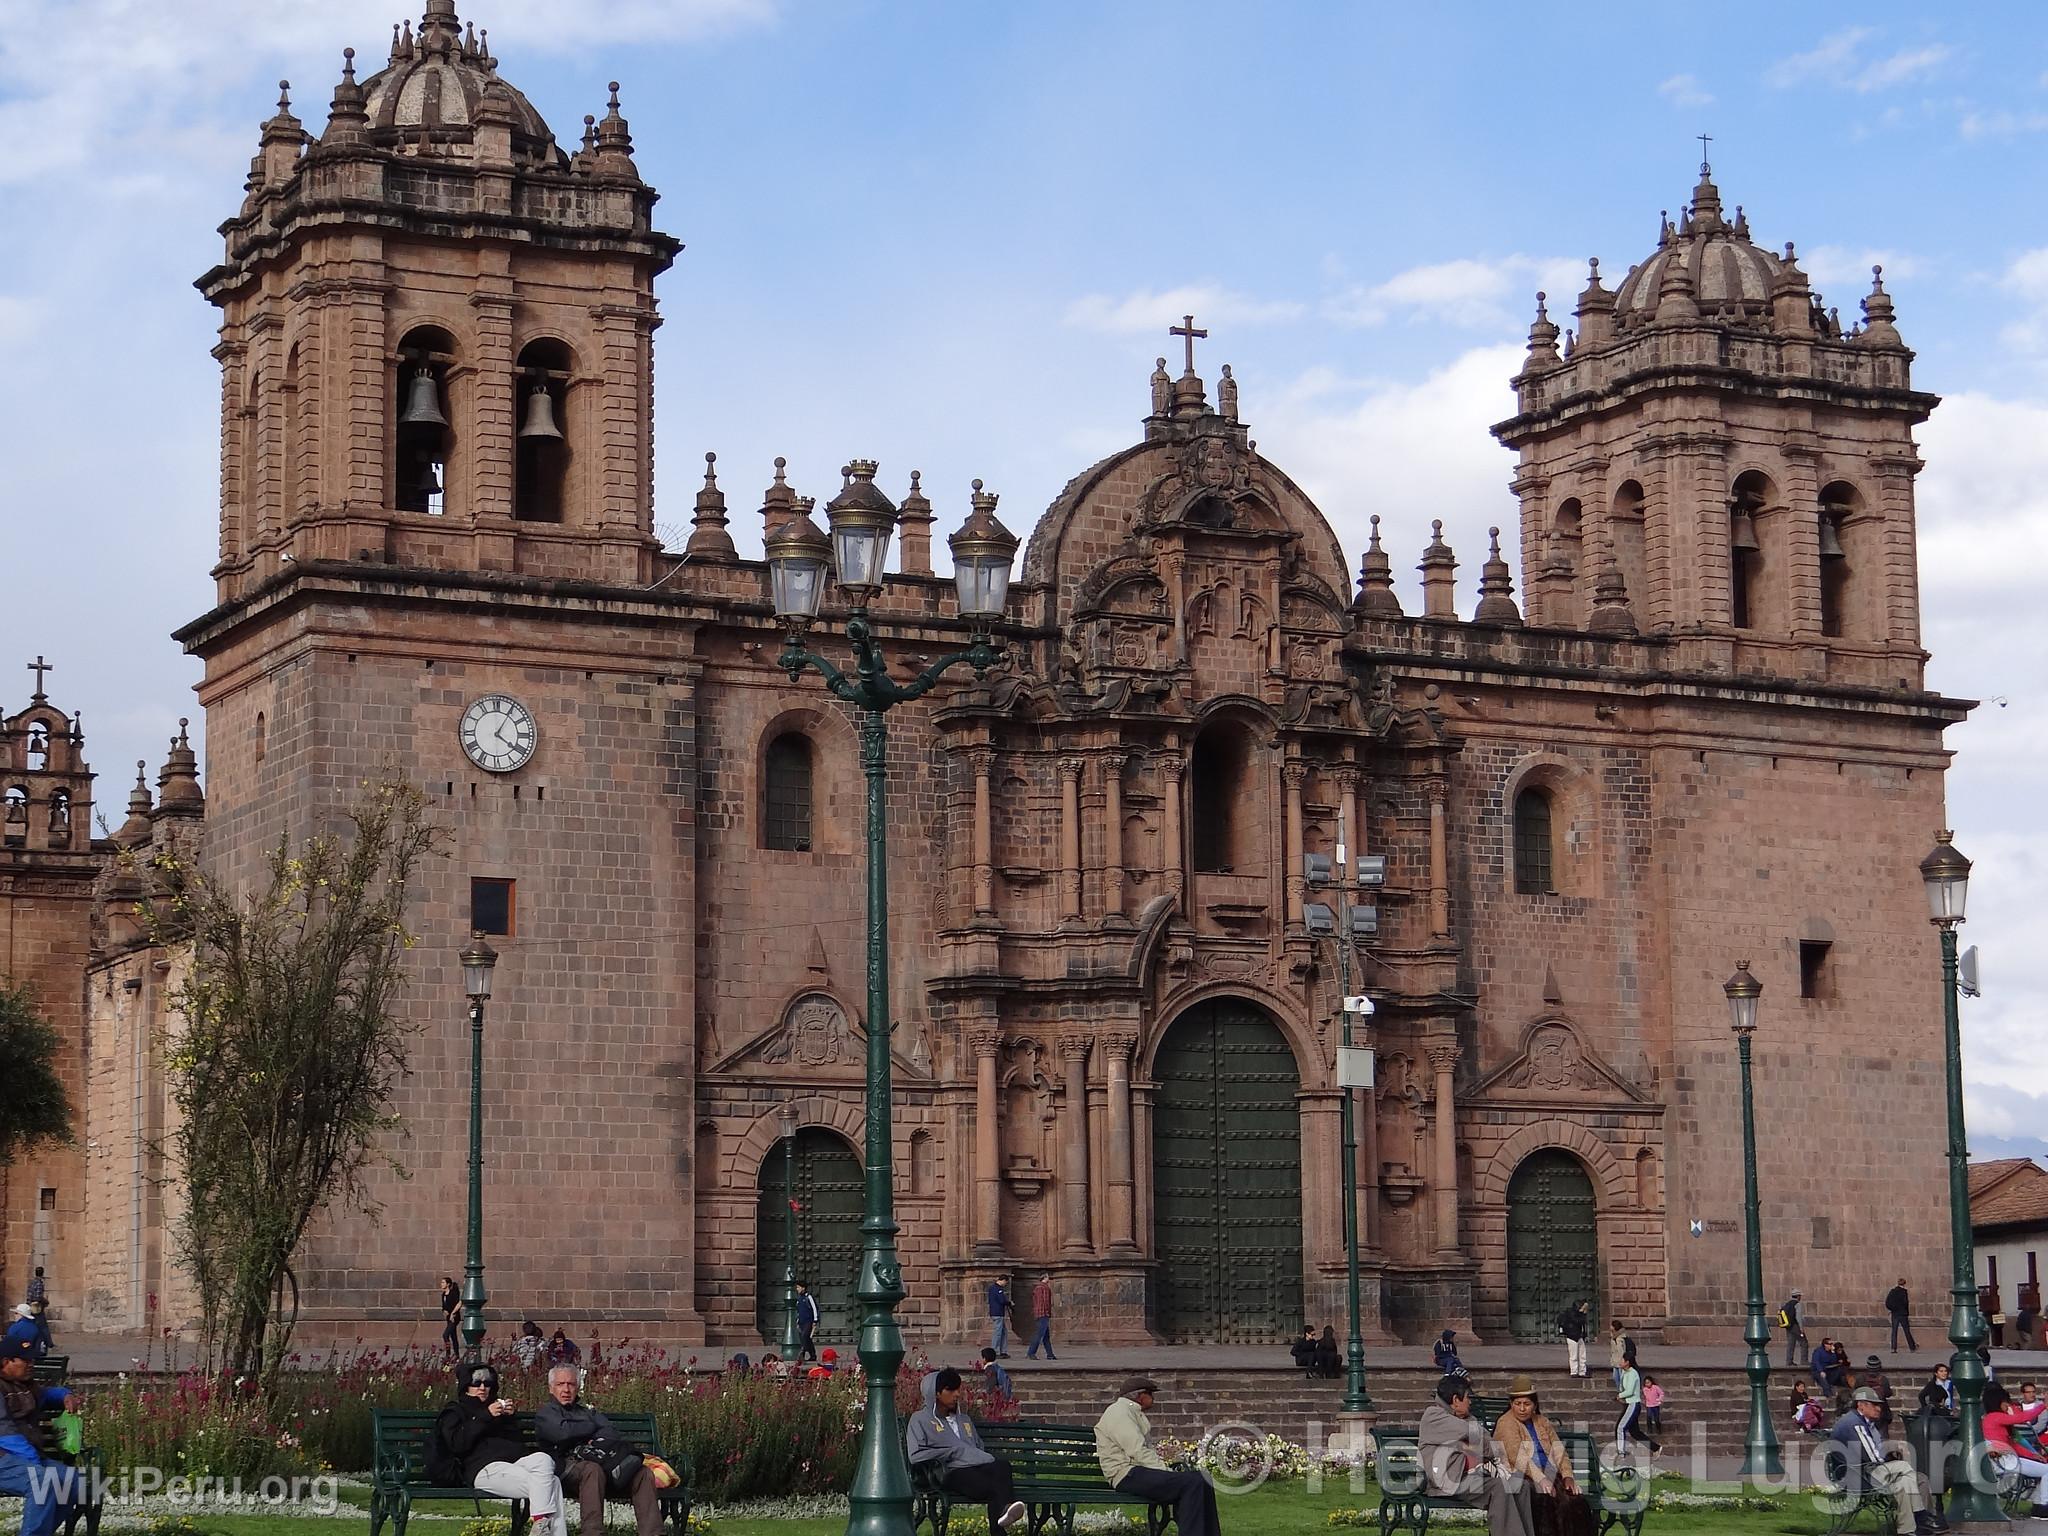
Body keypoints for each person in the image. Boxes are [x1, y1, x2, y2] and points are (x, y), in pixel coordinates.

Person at [434, 1362, 566, 1536]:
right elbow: (457, 1444)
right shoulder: (456, 1411)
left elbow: (516, 1444)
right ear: (466, 1386)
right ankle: (542, 1524)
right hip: (483, 1469)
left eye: (487, 1383)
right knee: (551, 1483)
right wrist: (485, 1416)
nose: (482, 1388)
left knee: (544, 1459)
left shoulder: (498, 1408)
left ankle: (540, 1525)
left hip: (514, 1464)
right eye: (476, 1383)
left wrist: (509, 1419)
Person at [534, 1363, 661, 1536]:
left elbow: (610, 1433)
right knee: (592, 1470)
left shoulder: (586, 1412)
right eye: (560, 1384)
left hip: (603, 1466)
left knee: (642, 1473)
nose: (566, 1389)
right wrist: (590, 1427)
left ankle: (654, 1533)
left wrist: (578, 1429)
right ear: (551, 1388)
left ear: (578, 1387)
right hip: (565, 1469)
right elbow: (562, 1433)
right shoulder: (546, 1413)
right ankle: (592, 1532)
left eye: (571, 1384)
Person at [1094, 1377, 1220, 1536]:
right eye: (1150, 1394)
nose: (1153, 1398)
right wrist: (1165, 1471)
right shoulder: (1119, 1413)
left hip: (1137, 1472)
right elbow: (1137, 1450)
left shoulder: (1131, 1412)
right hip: (1126, 1474)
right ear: (1140, 1396)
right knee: (1192, 1483)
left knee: (1202, 1479)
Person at [907, 1370, 1027, 1531]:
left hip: (975, 1466)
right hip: (949, 1471)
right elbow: (915, 1455)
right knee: (995, 1488)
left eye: (958, 1389)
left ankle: (1005, 1510)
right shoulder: (919, 1420)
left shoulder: (964, 1420)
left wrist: (973, 1456)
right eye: (950, 1390)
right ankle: (1004, 1512)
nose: (957, 1394)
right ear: (935, 1393)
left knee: (1002, 1466)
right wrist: (952, 1452)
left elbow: (978, 1446)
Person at [1417, 1374, 1533, 1536]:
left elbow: (1490, 1445)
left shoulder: (1465, 1418)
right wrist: (1474, 1441)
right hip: (1445, 1482)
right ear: (1456, 1400)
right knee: (1499, 1487)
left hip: (1470, 1478)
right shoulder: (1433, 1416)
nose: (1470, 1402)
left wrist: (1472, 1443)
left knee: (1521, 1485)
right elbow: (1480, 1439)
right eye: (1467, 1398)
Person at [1831, 1385, 1944, 1535]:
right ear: (1861, 1405)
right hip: (1858, 1476)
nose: (1879, 1408)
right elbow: (1873, 1457)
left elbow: (1876, 1448)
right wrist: (1891, 1462)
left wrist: (1891, 1452)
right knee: (1903, 1467)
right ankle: (1921, 1516)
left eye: (1879, 1405)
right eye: (1874, 1405)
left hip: (1865, 1471)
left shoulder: (1865, 1422)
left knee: (1914, 1480)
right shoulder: (1854, 1423)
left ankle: (1909, 1530)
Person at [1494, 1376, 1594, 1536]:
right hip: (1522, 1477)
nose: (1522, 1408)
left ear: (1534, 1405)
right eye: (1517, 1404)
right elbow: (1517, 1457)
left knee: (1576, 1502)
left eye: (1526, 1404)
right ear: (1511, 1404)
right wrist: (1541, 1479)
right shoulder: (1506, 1423)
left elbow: (1558, 1450)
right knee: (1545, 1501)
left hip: (1549, 1474)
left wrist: (1568, 1476)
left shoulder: (1542, 1421)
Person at [0, 1338, 79, 1536]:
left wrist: (65, 1395)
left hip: (25, 1458)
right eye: (25, 1360)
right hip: (5, 1458)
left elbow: (48, 1394)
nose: (31, 1364)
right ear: (6, 1362)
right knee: (42, 1481)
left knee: (73, 1481)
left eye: (32, 1360)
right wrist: (35, 1461)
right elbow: (5, 1432)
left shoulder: (25, 1386)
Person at [1984, 1381, 2048, 1515]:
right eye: (2005, 1402)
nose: (2008, 1405)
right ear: (1997, 1403)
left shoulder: (1990, 1419)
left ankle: (2039, 1504)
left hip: (2007, 1460)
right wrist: (2043, 1406)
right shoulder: (1994, 1417)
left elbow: (2012, 1444)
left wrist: (2033, 1455)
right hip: (2005, 1462)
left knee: (2043, 1470)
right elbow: (2022, 1418)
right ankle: (2042, 1506)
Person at [1615, 1351, 1658, 1455]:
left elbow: (1630, 1391)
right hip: (1628, 1403)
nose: (1620, 1362)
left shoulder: (1633, 1373)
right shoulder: (1624, 1372)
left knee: (1620, 1428)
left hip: (1633, 1405)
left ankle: (1621, 1452)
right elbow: (1622, 1387)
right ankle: (1656, 1448)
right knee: (1635, 1432)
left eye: (1622, 1360)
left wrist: (1620, 1395)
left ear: (1627, 1362)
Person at [1026, 1274, 1055, 1360]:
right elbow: (1046, 1301)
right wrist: (1048, 1312)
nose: (1049, 1279)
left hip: (1038, 1313)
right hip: (1043, 1313)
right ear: (1045, 1278)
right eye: (1048, 1277)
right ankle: (1031, 1353)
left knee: (1045, 1336)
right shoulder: (1044, 1288)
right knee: (1039, 1334)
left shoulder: (1037, 1288)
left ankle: (1050, 1354)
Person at [1886, 1279, 1919, 1354]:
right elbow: (1905, 1303)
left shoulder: (1892, 1291)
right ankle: (1912, 1347)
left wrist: (1892, 1309)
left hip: (1895, 1314)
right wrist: (1906, 1312)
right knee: (1907, 1331)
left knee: (1894, 1331)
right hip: (1902, 1314)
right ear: (1904, 1284)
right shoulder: (1903, 1292)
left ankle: (1893, 1348)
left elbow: (1887, 1302)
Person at [1558, 1301, 1589, 1378]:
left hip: (1578, 1336)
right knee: (1574, 1355)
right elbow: (1579, 1321)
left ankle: (1582, 1371)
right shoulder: (1572, 1314)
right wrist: (1583, 1313)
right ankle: (1574, 1372)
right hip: (1572, 1336)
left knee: (1582, 1355)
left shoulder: (1576, 1313)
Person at [23, 1270, 50, 1359]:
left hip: (31, 1306)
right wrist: (45, 1301)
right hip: (37, 1307)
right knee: (43, 1326)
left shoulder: (32, 1282)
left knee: (36, 1325)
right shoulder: (39, 1283)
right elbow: (37, 1297)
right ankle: (47, 1343)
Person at [986, 1278, 1014, 1358]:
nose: (1005, 1284)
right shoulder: (998, 1289)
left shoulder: (992, 1288)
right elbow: (1002, 1300)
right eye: (1005, 1283)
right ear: (1003, 1280)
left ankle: (1003, 1351)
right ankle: (995, 1351)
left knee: (1003, 1332)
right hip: (998, 1312)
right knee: (998, 1333)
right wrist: (1009, 1303)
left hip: (996, 1312)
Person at [794, 1282, 820, 1365]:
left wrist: (815, 1320)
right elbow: (798, 1311)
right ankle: (813, 1355)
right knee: (807, 1339)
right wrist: (797, 1321)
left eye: (798, 1287)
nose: (797, 1289)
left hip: (808, 1321)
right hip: (801, 1321)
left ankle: (802, 1353)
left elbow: (814, 1308)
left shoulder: (809, 1297)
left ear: (803, 1288)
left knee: (804, 1336)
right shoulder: (799, 1298)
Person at [1782, 1290, 1808, 1368]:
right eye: (1800, 1296)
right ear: (1798, 1296)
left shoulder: (1788, 1304)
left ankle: (1789, 1361)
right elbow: (1798, 1317)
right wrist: (1801, 1329)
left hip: (1789, 1326)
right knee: (1804, 1342)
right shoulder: (1797, 1304)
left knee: (1791, 1344)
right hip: (1795, 1326)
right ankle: (1804, 1361)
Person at [439, 1276, 461, 1361]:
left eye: (443, 1282)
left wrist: (453, 1313)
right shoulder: (443, 1295)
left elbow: (459, 1303)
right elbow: (444, 1307)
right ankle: (457, 1354)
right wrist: (444, 1311)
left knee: (445, 1335)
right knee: (453, 1336)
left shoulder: (453, 1293)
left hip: (454, 1317)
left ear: (448, 1284)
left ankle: (448, 1354)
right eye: (441, 1282)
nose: (441, 1284)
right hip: (448, 1318)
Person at [1607, 1320, 1630, 1388]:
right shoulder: (1613, 1337)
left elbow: (1623, 1350)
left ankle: (1622, 1391)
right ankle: (1619, 1391)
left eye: (1612, 1325)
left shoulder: (1622, 1338)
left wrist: (1624, 1360)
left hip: (1621, 1361)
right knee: (1615, 1377)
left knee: (1622, 1378)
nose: (1610, 1327)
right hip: (1615, 1361)